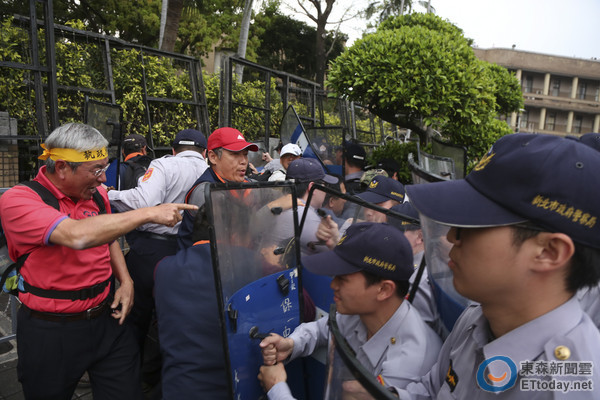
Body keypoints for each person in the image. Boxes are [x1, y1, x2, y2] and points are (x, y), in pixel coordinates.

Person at [0, 122, 196, 400]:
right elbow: (76, 235)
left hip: (106, 320)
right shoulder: (20, 200)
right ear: (63, 167)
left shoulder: (96, 194)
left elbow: (106, 234)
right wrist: (148, 213)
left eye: (105, 167)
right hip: (51, 330)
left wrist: (125, 280)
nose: (103, 179)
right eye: (96, 170)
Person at [395, 133, 600, 398]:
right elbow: (433, 389)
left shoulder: (576, 387)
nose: (451, 237)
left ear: (549, 252)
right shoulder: (476, 318)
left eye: (475, 224)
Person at [258, 222, 442, 399]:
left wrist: (277, 388)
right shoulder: (363, 312)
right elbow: (326, 328)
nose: (333, 284)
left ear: (384, 290)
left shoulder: (408, 363)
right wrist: (292, 344)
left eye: (343, 279)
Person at [107, 128, 209, 391]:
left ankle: (131, 381)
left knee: (135, 318)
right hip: (191, 251)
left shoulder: (164, 164)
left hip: (152, 252)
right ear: (206, 152)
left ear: (173, 149)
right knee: (173, 320)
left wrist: (109, 196)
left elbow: (144, 201)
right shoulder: (212, 170)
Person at [177, 127, 259, 249]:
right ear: (213, 157)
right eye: (235, 154)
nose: (243, 161)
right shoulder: (206, 192)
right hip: (204, 262)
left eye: (245, 155)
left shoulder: (245, 182)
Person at [265, 158, 338, 256]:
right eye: (324, 185)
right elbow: (335, 253)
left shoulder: (286, 206)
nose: (326, 190)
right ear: (312, 187)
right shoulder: (303, 214)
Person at [388, 202, 438, 334]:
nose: (388, 237)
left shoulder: (419, 280)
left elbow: (416, 332)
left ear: (420, 237)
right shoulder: (412, 266)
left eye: (397, 232)